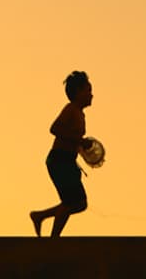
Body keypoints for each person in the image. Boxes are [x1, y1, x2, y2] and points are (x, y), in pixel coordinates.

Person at [30, 70, 93, 236]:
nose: (91, 95)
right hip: (59, 161)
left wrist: (85, 149)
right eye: (88, 90)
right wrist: (80, 141)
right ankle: (44, 223)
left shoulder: (80, 114)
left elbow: (72, 140)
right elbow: (55, 128)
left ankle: (44, 222)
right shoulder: (70, 109)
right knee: (75, 202)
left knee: (75, 203)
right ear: (78, 92)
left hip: (68, 161)